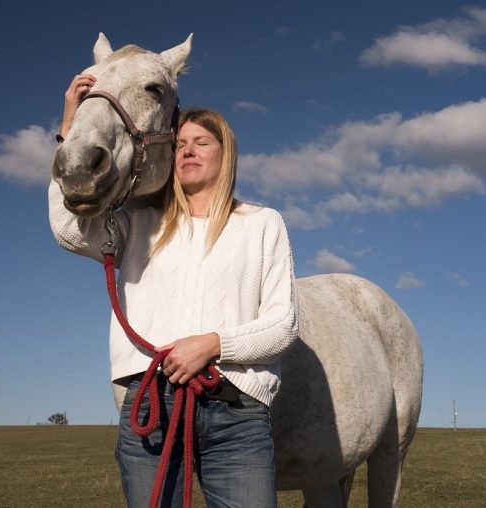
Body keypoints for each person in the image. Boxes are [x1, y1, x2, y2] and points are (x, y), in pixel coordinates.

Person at [49, 74, 299, 507]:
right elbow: (68, 228)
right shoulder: (136, 222)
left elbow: (284, 325)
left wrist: (213, 344)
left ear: (227, 154)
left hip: (236, 413)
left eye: (202, 142)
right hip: (150, 408)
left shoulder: (262, 223)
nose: (188, 149)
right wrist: (69, 131)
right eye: (181, 142)